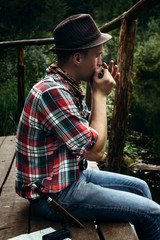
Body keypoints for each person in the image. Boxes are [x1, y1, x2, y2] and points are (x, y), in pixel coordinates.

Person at [15, 14, 160, 239]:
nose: (101, 62)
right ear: (77, 58)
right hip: (54, 196)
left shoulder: (65, 84)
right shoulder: (52, 93)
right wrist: (100, 96)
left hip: (73, 177)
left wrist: (96, 89)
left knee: (141, 187)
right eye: (97, 55)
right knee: (154, 213)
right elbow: (96, 152)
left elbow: (88, 131)